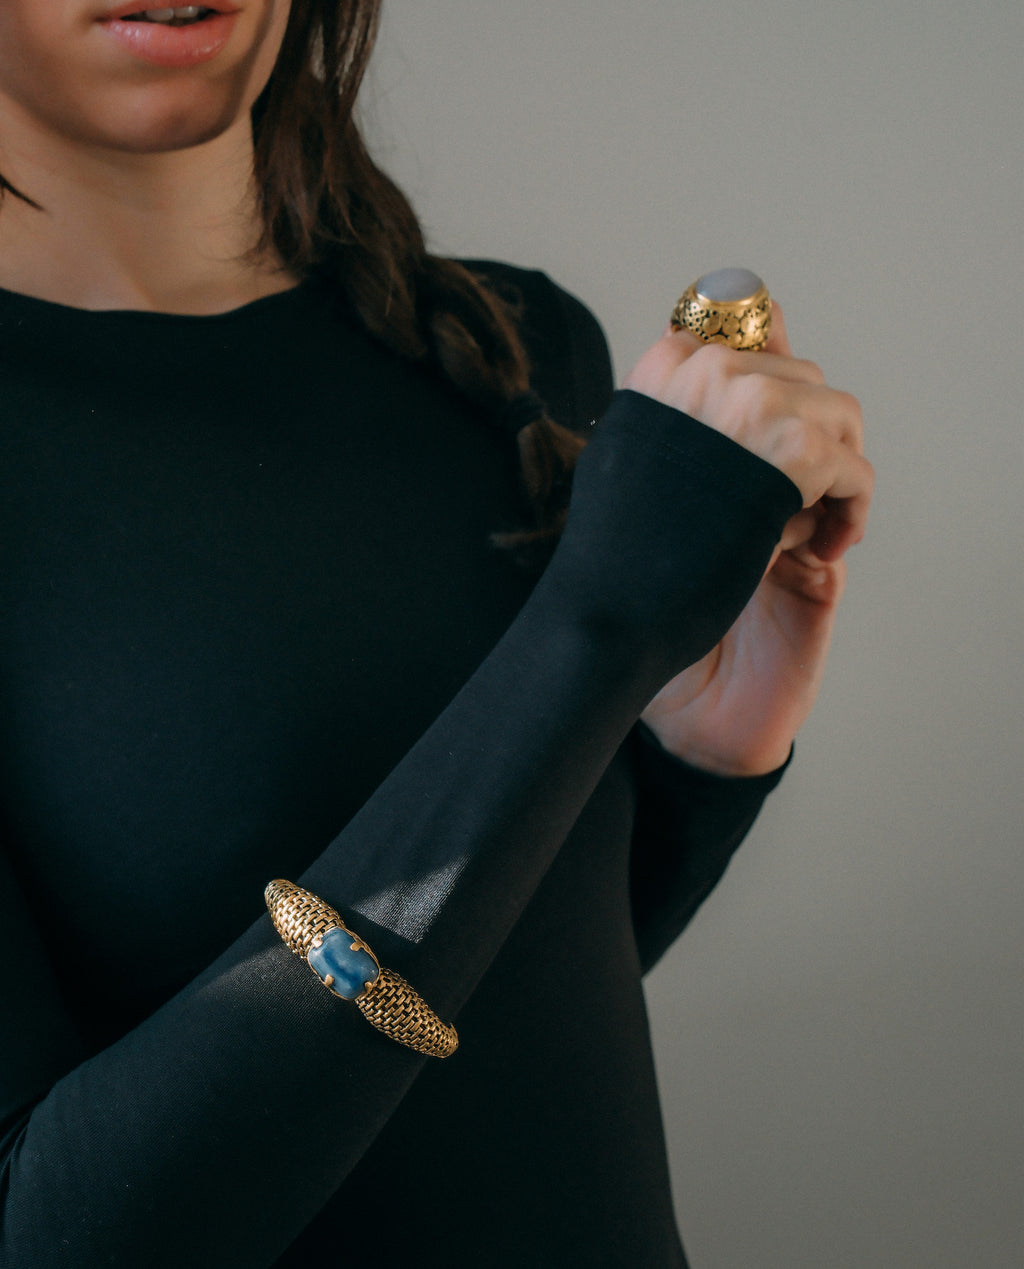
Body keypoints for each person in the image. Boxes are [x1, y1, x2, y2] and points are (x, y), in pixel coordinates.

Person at [0, 2, 873, 1266]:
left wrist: (703, 763)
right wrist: (595, 635)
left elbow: (497, 1024)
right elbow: (51, 1236)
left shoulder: (506, 345)